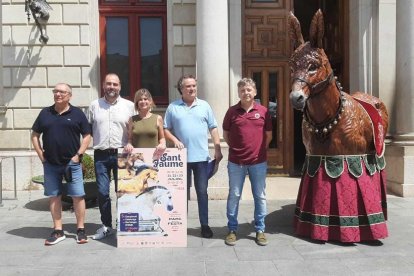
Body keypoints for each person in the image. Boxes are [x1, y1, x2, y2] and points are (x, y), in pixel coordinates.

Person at [31, 83, 91, 245]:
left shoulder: (77, 113)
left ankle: (80, 230)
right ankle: (58, 231)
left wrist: (78, 155)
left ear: (69, 95)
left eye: (62, 92)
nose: (58, 94)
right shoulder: (45, 113)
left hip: (72, 164)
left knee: (78, 196)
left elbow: (87, 135)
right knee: (54, 196)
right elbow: (35, 135)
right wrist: (41, 155)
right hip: (50, 164)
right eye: (56, 91)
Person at [164, 74, 223, 238]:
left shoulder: (205, 106)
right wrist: (175, 140)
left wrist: (217, 149)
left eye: (194, 86)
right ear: (181, 89)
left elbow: (213, 128)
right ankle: (180, 226)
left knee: (202, 192)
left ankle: (204, 225)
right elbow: (165, 129)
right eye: (188, 86)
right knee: (180, 194)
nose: (192, 89)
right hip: (181, 159)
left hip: (202, 158)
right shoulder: (173, 107)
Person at [222, 78, 272, 246]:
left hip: (258, 163)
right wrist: (237, 150)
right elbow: (226, 135)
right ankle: (232, 229)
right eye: (243, 90)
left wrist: (258, 151)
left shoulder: (264, 111)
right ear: (239, 93)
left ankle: (260, 230)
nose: (246, 93)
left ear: (255, 92)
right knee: (234, 195)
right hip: (236, 163)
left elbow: (269, 136)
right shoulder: (231, 112)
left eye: (249, 89)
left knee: (260, 196)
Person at [88, 73, 135, 240]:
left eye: (115, 84)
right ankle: (106, 225)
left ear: (120, 86)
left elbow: (133, 130)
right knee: (102, 192)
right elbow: (88, 129)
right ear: (103, 86)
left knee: (123, 192)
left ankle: (123, 224)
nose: (111, 87)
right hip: (101, 154)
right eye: (108, 84)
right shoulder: (94, 105)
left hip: (122, 154)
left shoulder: (129, 106)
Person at [124, 88, 166, 161]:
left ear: (150, 101)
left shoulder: (157, 118)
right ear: (137, 103)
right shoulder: (132, 119)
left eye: (145, 99)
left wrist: (162, 144)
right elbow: (130, 139)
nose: (143, 101)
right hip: (137, 159)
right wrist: (129, 144)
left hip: (155, 158)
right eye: (140, 99)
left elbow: (162, 138)